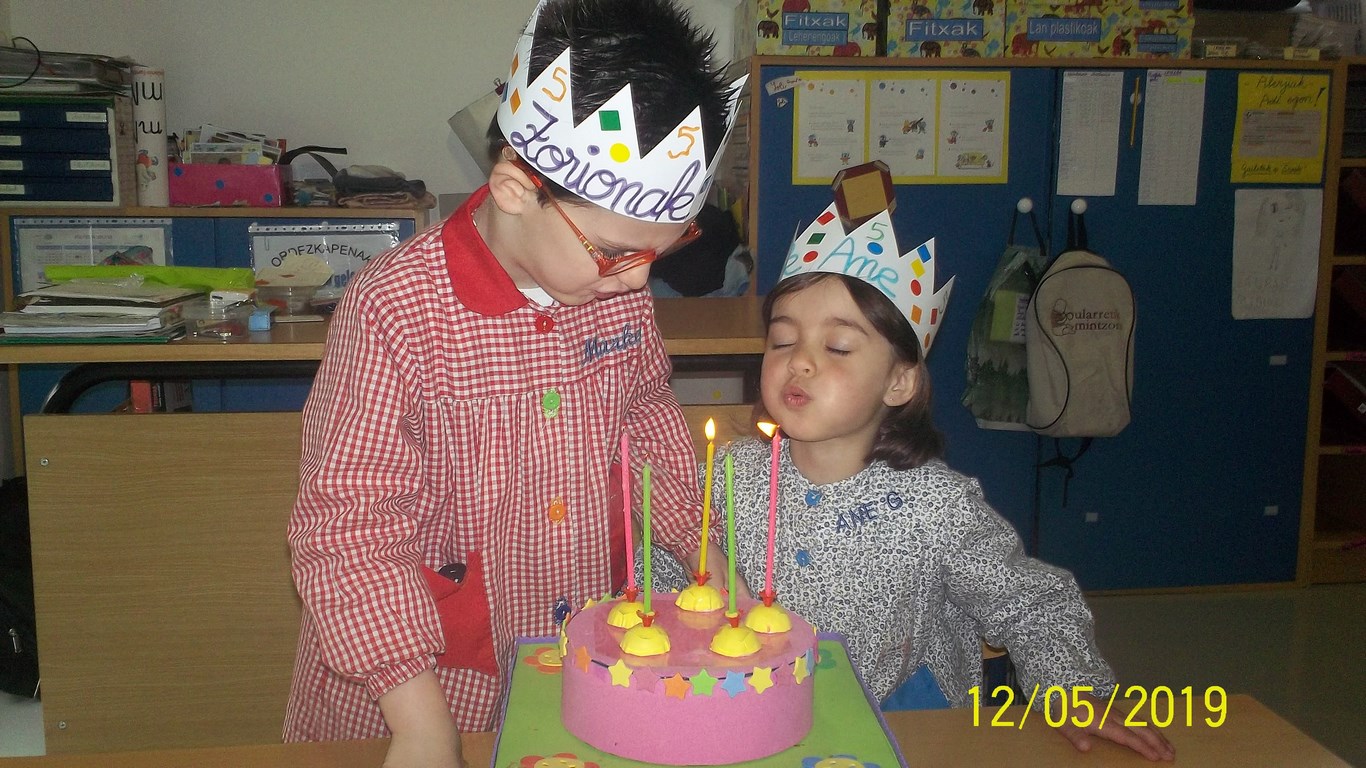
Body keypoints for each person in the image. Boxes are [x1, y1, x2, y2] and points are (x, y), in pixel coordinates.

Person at [282, 1, 744, 766]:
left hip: (578, 667)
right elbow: (348, 527)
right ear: (514, 189)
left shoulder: (613, 292)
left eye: (659, 254)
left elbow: (645, 416)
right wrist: (418, 722)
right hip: (423, 693)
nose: (638, 284)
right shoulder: (396, 310)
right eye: (614, 252)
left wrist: (704, 553)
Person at [654, 163, 1174, 761]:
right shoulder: (728, 475)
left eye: (838, 346)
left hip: (903, 730)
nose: (800, 361)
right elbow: (669, 574)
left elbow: (1029, 601)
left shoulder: (936, 505)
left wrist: (1072, 689)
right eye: (782, 340)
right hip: (752, 720)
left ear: (899, 382)